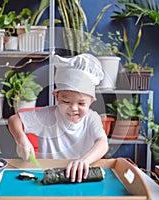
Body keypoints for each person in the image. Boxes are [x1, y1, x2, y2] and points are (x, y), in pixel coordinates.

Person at [8, 53, 109, 183]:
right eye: (66, 102)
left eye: (81, 103)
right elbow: (14, 120)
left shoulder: (91, 118)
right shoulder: (47, 116)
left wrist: (84, 161)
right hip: (48, 176)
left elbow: (103, 143)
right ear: (56, 96)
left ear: (92, 101)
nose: (73, 108)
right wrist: (21, 139)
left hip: (82, 177)